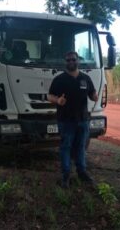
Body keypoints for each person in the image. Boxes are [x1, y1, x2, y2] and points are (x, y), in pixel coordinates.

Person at [48, 51, 98, 188]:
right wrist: (58, 100)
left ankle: (82, 172)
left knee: (81, 147)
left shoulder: (85, 78)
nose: (71, 62)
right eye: (68, 60)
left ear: (78, 61)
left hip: (83, 120)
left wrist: (94, 96)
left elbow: (92, 93)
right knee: (66, 147)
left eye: (73, 59)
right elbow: (49, 96)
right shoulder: (59, 79)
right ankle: (65, 176)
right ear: (65, 62)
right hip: (66, 120)